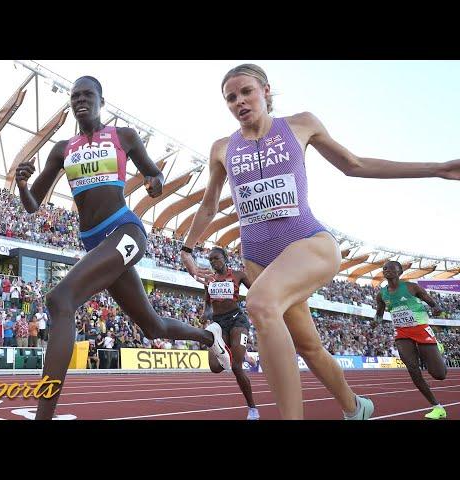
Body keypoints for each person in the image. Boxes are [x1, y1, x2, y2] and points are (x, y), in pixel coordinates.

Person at [180, 63, 460, 420]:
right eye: (230, 98)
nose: (240, 101)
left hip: (309, 242)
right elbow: (207, 206)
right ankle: (355, 407)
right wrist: (188, 248)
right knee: (309, 347)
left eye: (246, 91)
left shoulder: (300, 124)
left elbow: (354, 164)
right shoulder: (222, 148)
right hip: (259, 258)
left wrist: (435, 168)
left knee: (261, 303)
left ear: (266, 91)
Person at [16, 75, 230, 420]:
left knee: (60, 299)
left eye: (87, 95)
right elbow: (31, 205)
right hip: (96, 243)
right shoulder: (62, 149)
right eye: (75, 96)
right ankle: (209, 337)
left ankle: (44, 416)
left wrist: (154, 183)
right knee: (153, 327)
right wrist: (22, 183)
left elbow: (155, 175)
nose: (80, 100)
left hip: (126, 231)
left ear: (102, 101)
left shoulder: (123, 136)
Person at [375, 261, 448, 419]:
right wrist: (377, 321)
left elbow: (431, 302)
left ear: (399, 271)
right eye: (384, 268)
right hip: (402, 333)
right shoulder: (381, 294)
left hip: (421, 330)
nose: (386, 270)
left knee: (439, 374)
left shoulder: (411, 287)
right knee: (413, 369)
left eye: (391, 268)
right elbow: (379, 312)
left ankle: (437, 349)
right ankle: (437, 407)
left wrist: (437, 309)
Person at [204, 247, 260, 420]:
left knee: (236, 367)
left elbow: (256, 289)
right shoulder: (209, 279)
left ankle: (252, 409)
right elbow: (207, 303)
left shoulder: (238, 275)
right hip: (218, 324)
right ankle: (242, 354)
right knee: (214, 367)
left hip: (237, 320)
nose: (213, 262)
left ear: (225, 258)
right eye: (211, 260)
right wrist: (205, 312)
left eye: (216, 258)